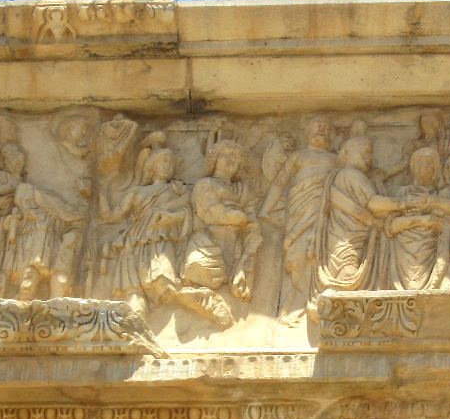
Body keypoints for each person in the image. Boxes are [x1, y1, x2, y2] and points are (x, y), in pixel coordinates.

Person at [103, 140, 230, 327]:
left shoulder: (176, 191)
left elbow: (191, 213)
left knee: (166, 285)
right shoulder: (137, 193)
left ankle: (206, 302)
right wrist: (102, 188)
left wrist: (172, 214)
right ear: (152, 166)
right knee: (135, 297)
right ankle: (135, 332)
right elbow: (110, 216)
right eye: (163, 161)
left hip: (162, 242)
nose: (168, 165)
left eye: (171, 162)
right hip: (133, 246)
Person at [260, 116, 338, 324]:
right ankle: (293, 302)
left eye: (325, 127)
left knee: (320, 254)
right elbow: (279, 183)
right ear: (307, 132)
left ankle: (316, 301)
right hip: (298, 214)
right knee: (296, 255)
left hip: (324, 215)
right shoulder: (298, 156)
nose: (321, 130)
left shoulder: (336, 160)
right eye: (317, 127)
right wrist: (266, 209)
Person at [311, 135, 401, 304]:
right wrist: (403, 204)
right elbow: (373, 203)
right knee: (346, 278)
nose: (369, 158)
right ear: (347, 153)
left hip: (349, 239)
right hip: (348, 242)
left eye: (371, 154)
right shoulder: (351, 175)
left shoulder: (349, 177)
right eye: (365, 153)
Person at [185, 140, 262, 303]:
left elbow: (252, 221)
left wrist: (249, 251)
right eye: (225, 155)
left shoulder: (243, 190)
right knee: (203, 274)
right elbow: (212, 212)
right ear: (214, 160)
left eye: (235, 157)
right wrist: (236, 216)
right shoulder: (205, 184)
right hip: (207, 246)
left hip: (236, 248)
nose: (231, 159)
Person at [386, 148, 450, 290]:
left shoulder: (442, 195)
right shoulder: (404, 192)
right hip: (404, 252)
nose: (425, 168)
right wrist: (424, 221)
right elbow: (391, 227)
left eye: (429, 164)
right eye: (421, 163)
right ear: (413, 168)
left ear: (436, 169)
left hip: (434, 251)